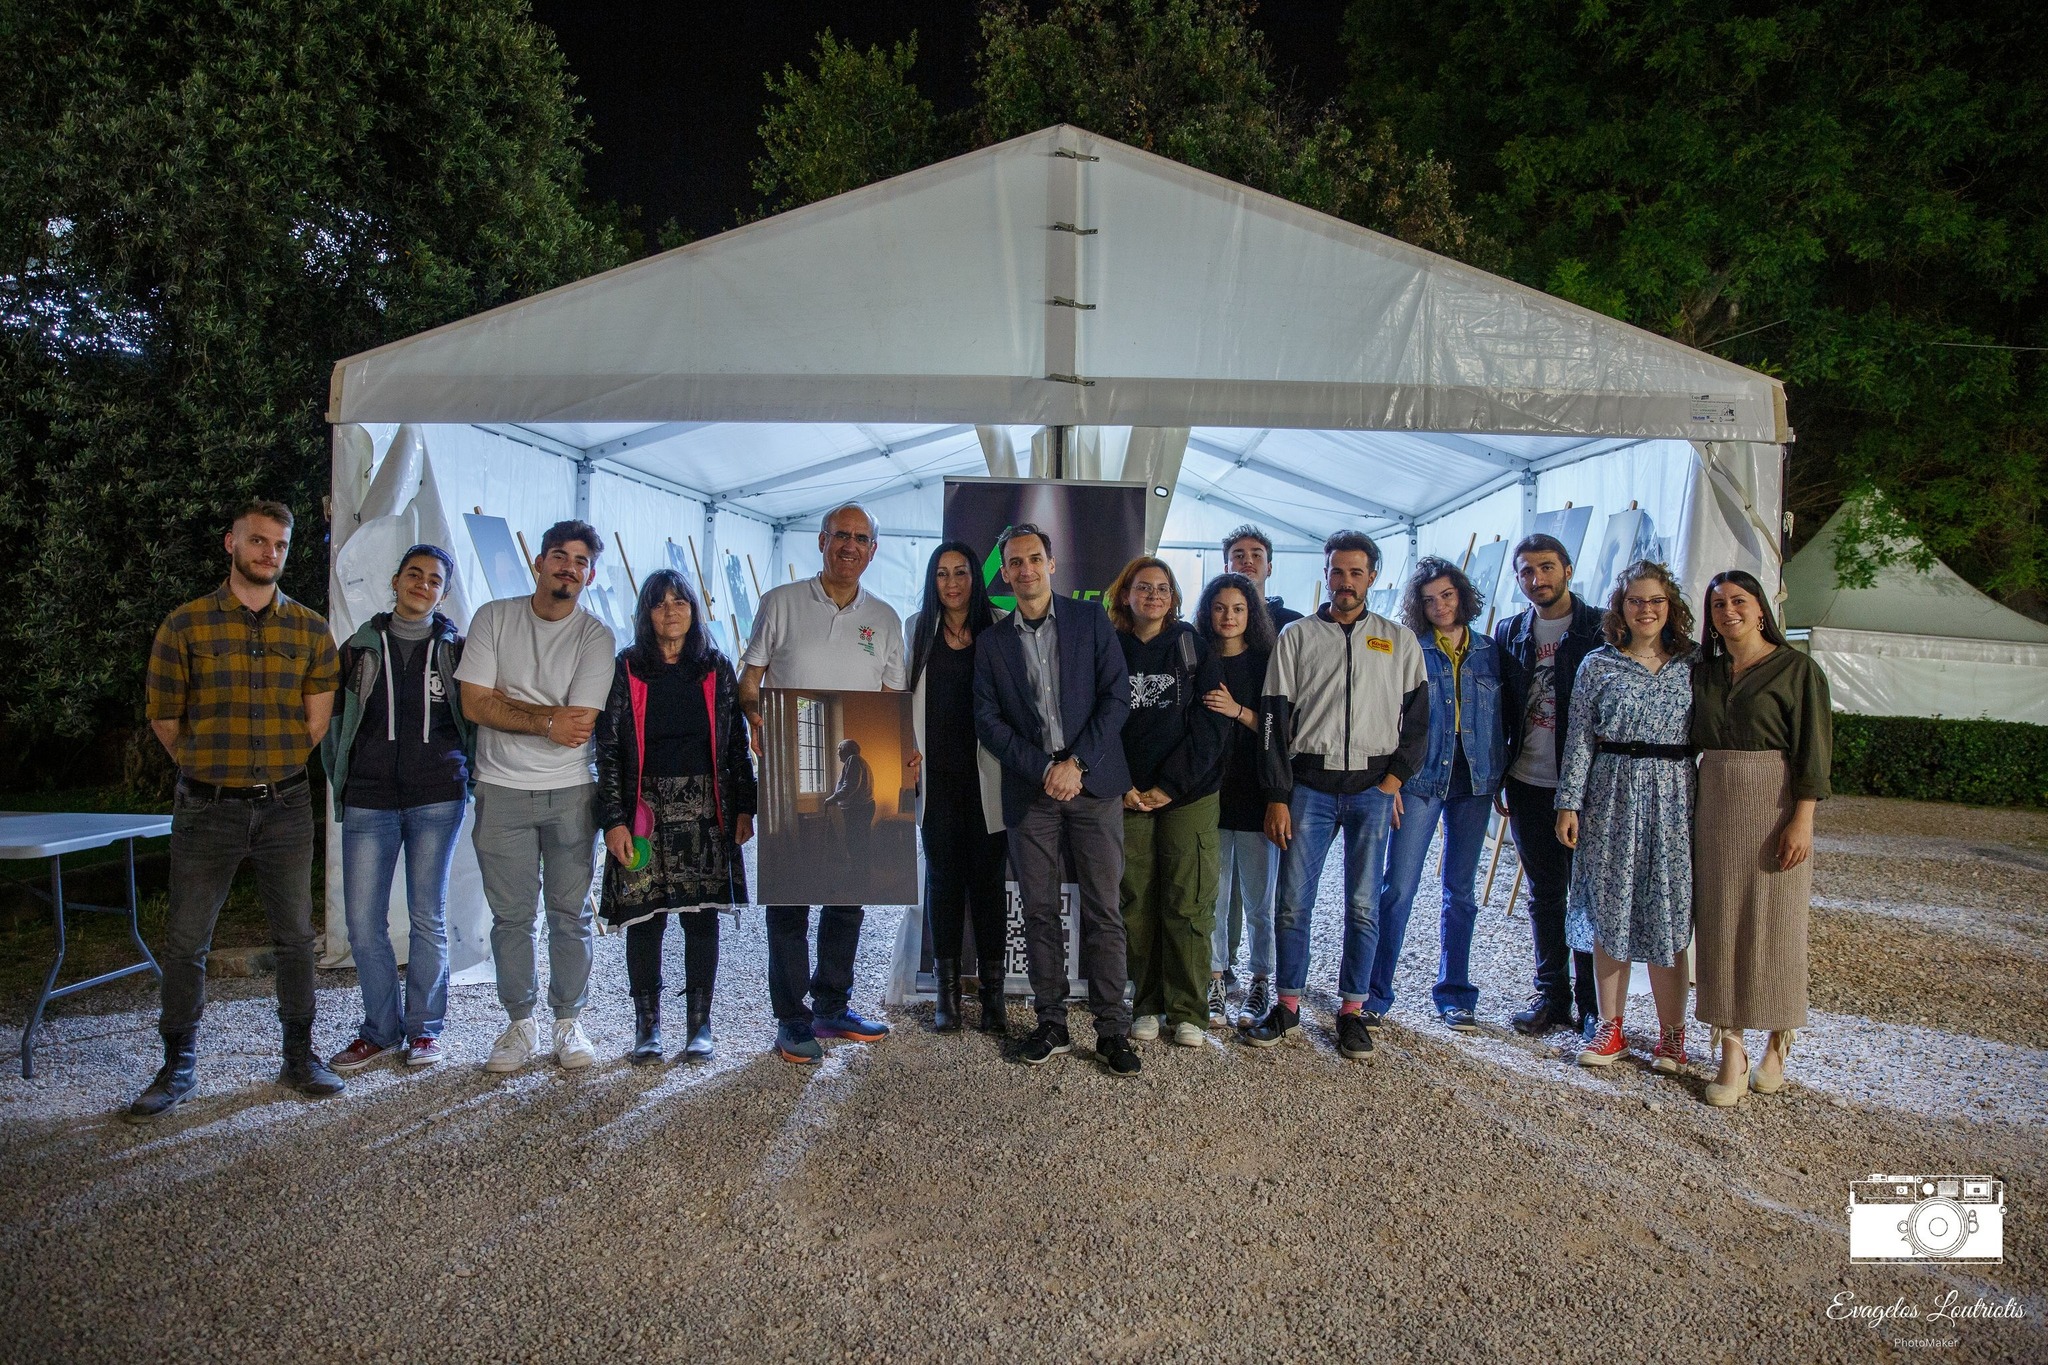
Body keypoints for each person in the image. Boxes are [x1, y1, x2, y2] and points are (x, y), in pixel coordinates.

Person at [129, 499, 344, 1120]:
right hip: (208, 807)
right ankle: (177, 1065)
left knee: (296, 937)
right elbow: (165, 717)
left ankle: (298, 1055)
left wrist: (269, 767)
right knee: (186, 940)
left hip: (284, 805)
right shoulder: (185, 625)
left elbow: (315, 722)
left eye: (279, 545)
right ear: (231, 543)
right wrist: (210, 767)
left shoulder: (309, 630)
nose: (269, 553)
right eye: (257, 541)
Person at [1243, 531, 1427, 1060]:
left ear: (1373, 577)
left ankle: (1351, 1012)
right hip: (1309, 789)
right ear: (1325, 574)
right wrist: (1278, 794)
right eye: (1337, 572)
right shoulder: (1297, 636)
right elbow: (1273, 721)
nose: (1346, 582)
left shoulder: (1398, 640)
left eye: (1356, 573)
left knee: (1364, 906)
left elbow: (1418, 722)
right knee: (1293, 904)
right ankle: (1288, 1006)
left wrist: (1393, 782)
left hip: (1372, 790)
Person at [739, 503, 906, 1063]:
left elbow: (891, 701)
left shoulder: (885, 619)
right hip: (786, 767)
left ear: (873, 551)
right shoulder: (780, 603)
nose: (849, 546)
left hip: (844, 802)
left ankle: (833, 1006)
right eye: (840, 536)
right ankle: (792, 1019)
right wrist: (754, 715)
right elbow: (750, 678)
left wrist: (902, 748)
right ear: (821, 540)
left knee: (847, 897)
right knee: (789, 901)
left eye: (860, 538)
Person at [973, 523, 1141, 1076]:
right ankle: (1051, 1023)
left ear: (1051, 564)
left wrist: (1077, 764)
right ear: (1004, 573)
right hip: (1032, 791)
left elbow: (1117, 698)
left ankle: (1112, 1029)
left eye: (1034, 559)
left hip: (1094, 786)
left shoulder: (1090, 620)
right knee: (1039, 910)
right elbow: (988, 722)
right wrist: (1046, 769)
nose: (1025, 569)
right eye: (1014, 562)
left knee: (1104, 911)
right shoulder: (993, 642)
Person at [455, 520, 617, 1073]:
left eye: (580, 561)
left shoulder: (595, 636)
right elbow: (474, 704)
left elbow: (579, 724)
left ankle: (568, 1020)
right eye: (560, 556)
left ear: (589, 575)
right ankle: (519, 1023)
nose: (569, 567)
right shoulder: (493, 618)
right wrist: (546, 718)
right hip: (500, 789)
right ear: (539, 562)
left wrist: (509, 704)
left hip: (571, 790)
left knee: (570, 915)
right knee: (512, 918)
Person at [322, 545, 473, 1074]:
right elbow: (335, 724)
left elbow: (473, 719)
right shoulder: (359, 647)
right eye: (414, 574)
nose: (422, 584)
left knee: (427, 916)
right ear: (395, 580)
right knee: (364, 923)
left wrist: (464, 772)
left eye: (434, 579)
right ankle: (379, 1030)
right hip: (369, 799)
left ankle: (425, 1030)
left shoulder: (457, 651)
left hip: (437, 796)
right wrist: (346, 777)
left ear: (443, 593)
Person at [594, 569, 755, 1064]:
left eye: (680, 601)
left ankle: (699, 1025)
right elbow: (609, 749)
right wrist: (614, 819)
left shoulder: (715, 667)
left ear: (693, 610)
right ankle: (647, 1027)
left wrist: (744, 806)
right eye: (660, 602)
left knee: (701, 918)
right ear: (646, 612)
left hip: (707, 810)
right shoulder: (627, 668)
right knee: (645, 920)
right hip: (644, 813)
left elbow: (736, 745)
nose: (671, 610)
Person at [1691, 569, 1832, 1107]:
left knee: (1777, 923)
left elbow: (1813, 750)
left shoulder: (1797, 670)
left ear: (1759, 608)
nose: (1728, 611)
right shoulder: (1704, 672)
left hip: (1774, 801)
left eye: (1739, 601)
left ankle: (1778, 1039)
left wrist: (1802, 819)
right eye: (1718, 604)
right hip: (1715, 803)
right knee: (1720, 922)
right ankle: (1730, 1047)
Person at [1554, 562, 1697, 1071]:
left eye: (1656, 600)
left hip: (1674, 797)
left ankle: (1672, 1035)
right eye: (1636, 600)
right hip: (1610, 793)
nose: (1646, 610)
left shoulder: (1692, 665)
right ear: (1621, 607)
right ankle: (1610, 1027)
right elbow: (1579, 738)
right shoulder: (1598, 665)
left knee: (1667, 912)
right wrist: (1568, 803)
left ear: (1670, 606)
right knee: (1609, 909)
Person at [1367, 558, 1505, 1034]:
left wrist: (1503, 776)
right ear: (1419, 606)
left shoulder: (1490, 651)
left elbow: (1504, 718)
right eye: (1429, 600)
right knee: (1398, 887)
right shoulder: (1410, 648)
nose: (1440, 606)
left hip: (1475, 783)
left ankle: (1456, 995)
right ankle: (1373, 992)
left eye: (1447, 595)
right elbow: (1388, 715)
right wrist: (1391, 780)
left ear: (1461, 595)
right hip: (1420, 780)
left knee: (1460, 893)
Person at [1107, 557, 1230, 1047]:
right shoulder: (1109, 646)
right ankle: (1146, 1004)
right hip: (1128, 794)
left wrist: (1172, 785)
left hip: (1188, 794)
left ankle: (1188, 1011)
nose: (1153, 596)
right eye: (1143, 587)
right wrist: (1120, 782)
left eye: (1162, 588)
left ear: (1174, 598)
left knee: (1188, 902)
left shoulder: (1192, 645)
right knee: (1136, 902)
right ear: (1126, 594)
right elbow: (1093, 719)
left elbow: (1213, 721)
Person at [1493, 532, 1606, 1037]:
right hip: (1527, 781)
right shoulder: (1510, 631)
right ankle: (1552, 996)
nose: (1536, 578)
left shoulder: (1600, 627)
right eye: (1526, 571)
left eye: (1546, 567)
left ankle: (1593, 1004)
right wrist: (1499, 772)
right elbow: (1500, 707)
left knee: (1587, 895)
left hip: (1585, 787)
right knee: (1544, 894)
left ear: (1567, 570)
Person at [905, 542, 1009, 1035]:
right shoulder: (916, 629)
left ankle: (993, 996)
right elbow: (898, 698)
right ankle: (946, 995)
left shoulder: (1001, 626)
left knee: (989, 887)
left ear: (975, 578)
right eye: (942, 573)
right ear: (933, 581)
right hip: (937, 779)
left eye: (960, 572)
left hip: (990, 777)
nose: (951, 583)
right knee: (943, 884)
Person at [1195, 572, 1279, 1027]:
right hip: (1209, 793)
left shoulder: (1267, 662)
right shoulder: (1197, 658)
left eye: (1238, 609)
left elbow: (1278, 729)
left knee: (1259, 900)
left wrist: (1238, 711)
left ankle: (1261, 979)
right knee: (1213, 895)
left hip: (1256, 794)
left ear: (1251, 614)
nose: (1229, 616)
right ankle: (1214, 978)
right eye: (1220, 608)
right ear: (1208, 612)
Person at [1224, 524, 1303, 631]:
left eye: (1256, 555)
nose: (1248, 561)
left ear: (1269, 568)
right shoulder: (1214, 621)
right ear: (1226, 570)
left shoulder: (1293, 623)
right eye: (1239, 556)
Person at [823, 739, 877, 880]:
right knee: (861, 841)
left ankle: (858, 875)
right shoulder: (859, 761)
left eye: (839, 749)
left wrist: (831, 799)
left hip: (859, 809)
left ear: (848, 750)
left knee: (855, 841)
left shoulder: (853, 759)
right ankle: (862, 873)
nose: (837, 753)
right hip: (863, 807)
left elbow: (850, 786)